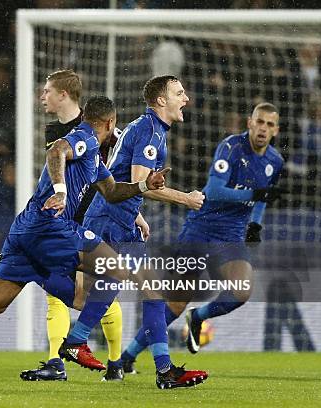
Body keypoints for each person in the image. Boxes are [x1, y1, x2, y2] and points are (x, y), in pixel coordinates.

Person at [0, 96, 169, 392]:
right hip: (50, 226)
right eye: (115, 126)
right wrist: (60, 190)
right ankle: (75, 341)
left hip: (25, 231)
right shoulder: (82, 137)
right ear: (109, 123)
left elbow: (111, 191)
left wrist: (146, 185)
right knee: (113, 270)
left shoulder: (94, 157)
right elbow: (57, 150)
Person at [120, 102, 285, 367]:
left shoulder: (275, 161)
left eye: (269, 124)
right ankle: (127, 356)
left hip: (230, 234)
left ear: (276, 130)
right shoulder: (231, 147)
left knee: (241, 290)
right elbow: (215, 190)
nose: (263, 128)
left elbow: (264, 195)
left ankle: (199, 317)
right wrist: (253, 196)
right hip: (201, 227)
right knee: (174, 305)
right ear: (249, 123)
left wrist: (255, 223)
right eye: (260, 122)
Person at [82, 75, 209, 388]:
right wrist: (186, 198)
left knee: (151, 290)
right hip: (109, 222)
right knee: (84, 290)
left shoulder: (147, 128)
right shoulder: (151, 131)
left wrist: (135, 213)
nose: (186, 98)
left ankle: (162, 370)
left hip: (120, 218)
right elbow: (143, 182)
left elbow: (126, 179)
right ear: (162, 100)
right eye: (179, 92)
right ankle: (76, 342)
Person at [17, 69, 126, 382]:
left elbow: (111, 178)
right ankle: (55, 361)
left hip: (91, 218)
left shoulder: (100, 130)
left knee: (98, 290)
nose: (43, 97)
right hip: (59, 219)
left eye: (48, 90)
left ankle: (116, 361)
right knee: (58, 293)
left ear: (63, 94)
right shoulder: (54, 129)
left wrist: (135, 211)